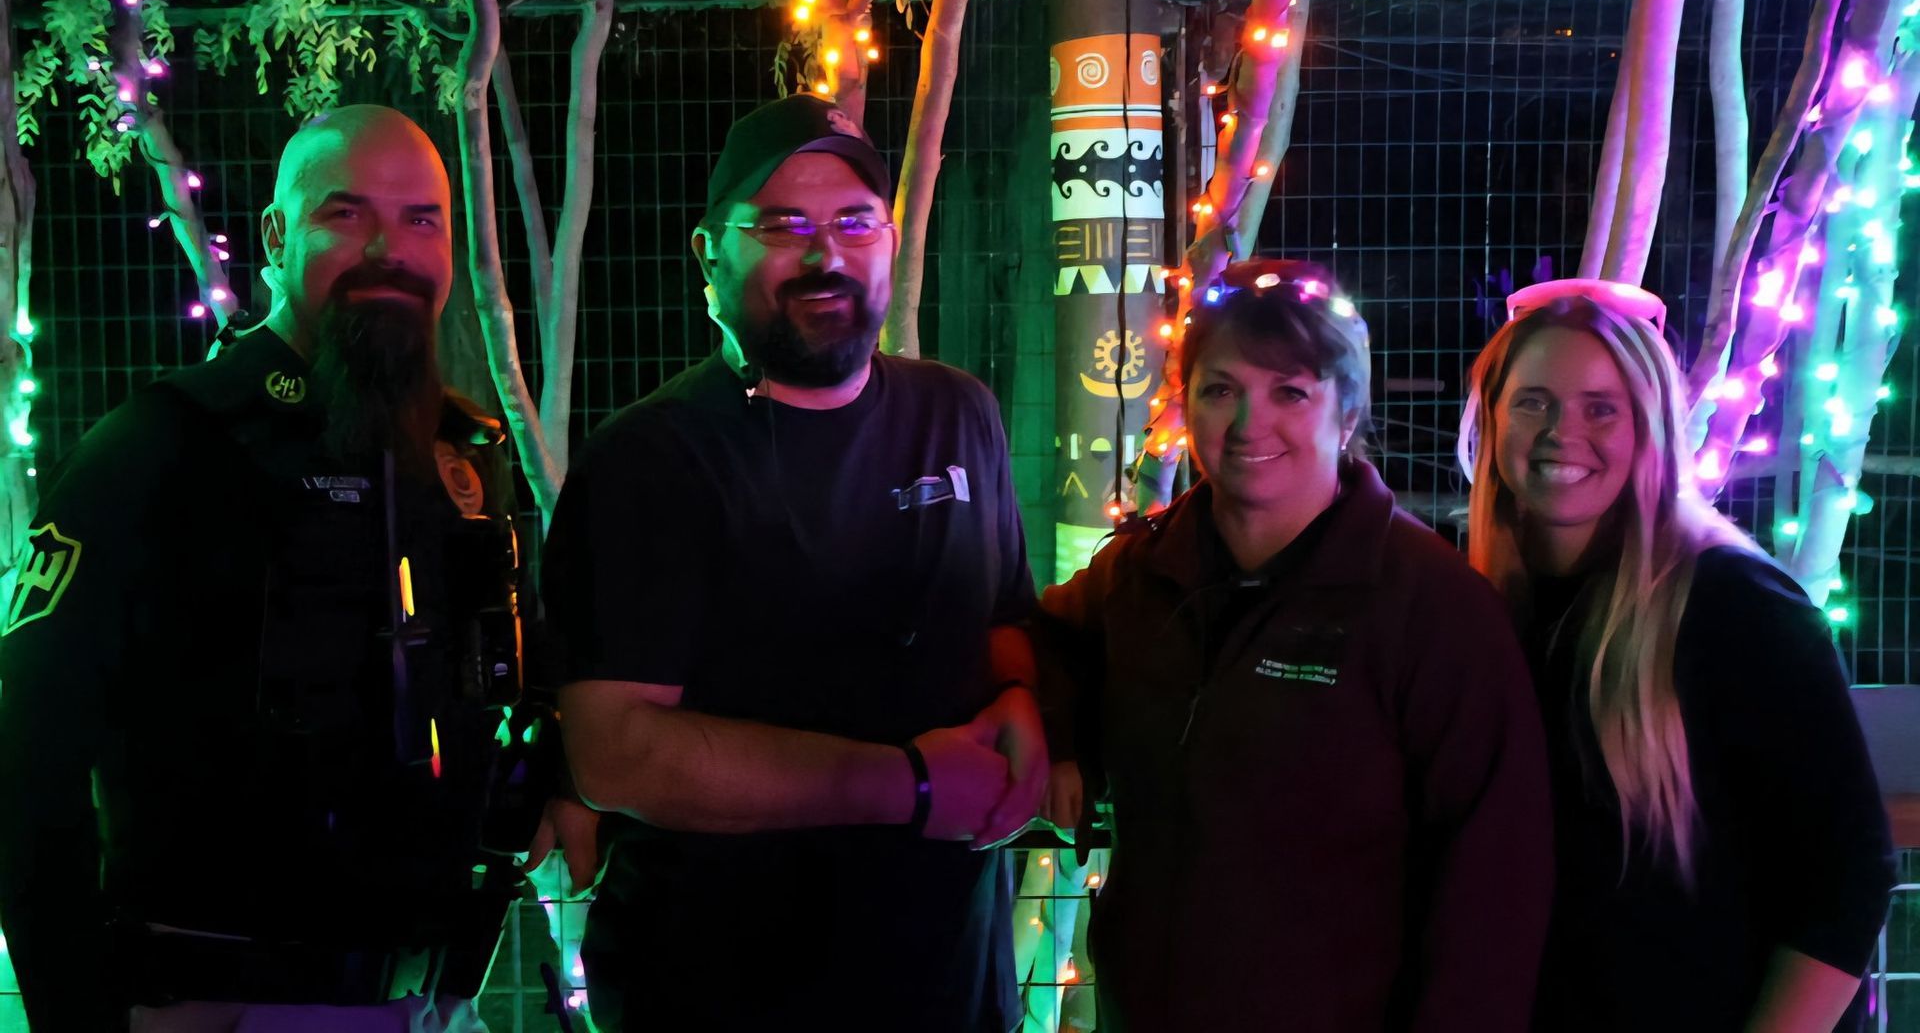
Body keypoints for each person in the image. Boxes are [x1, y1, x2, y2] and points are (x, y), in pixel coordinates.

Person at [0, 105, 590, 1031]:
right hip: (215, 1002)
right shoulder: (164, 447)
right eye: (346, 214)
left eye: (422, 219)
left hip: (433, 1003)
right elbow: (29, 763)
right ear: (276, 238)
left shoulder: (462, 453)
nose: (390, 250)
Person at [543, 92, 1045, 1031]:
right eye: (783, 227)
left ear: (889, 239)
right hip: (716, 990)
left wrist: (1020, 699)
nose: (826, 256)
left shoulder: (959, 413)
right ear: (711, 253)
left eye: (855, 222)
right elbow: (616, 754)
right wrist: (910, 785)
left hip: (953, 981)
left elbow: (1003, 614)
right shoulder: (649, 460)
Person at [1033, 259, 1554, 1032]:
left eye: (1290, 392)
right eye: (1221, 390)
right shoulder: (1141, 573)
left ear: (1347, 413)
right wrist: (1060, 735)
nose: (1249, 423)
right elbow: (1044, 640)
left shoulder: (1435, 610)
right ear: (1186, 402)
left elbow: (1495, 887)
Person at [1456, 280, 1896, 1032]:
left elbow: (1848, 878)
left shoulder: (1740, 608)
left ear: (1651, 426)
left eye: (1601, 407)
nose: (1562, 431)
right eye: (1533, 402)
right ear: (1492, 419)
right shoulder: (1476, 610)